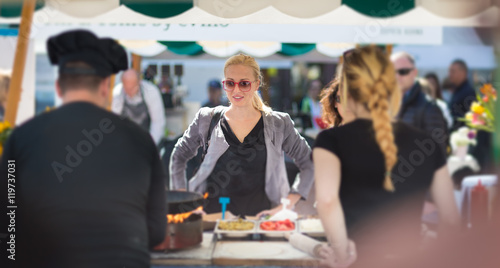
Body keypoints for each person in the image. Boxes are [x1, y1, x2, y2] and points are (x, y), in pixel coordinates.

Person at [0, 30, 167, 267]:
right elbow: (157, 231)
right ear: (105, 87)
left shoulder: (20, 138)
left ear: (58, 87)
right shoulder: (141, 140)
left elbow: (8, 227)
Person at [314, 46, 459, 267]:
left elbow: (326, 201)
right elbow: (450, 218)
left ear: (346, 93)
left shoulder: (330, 140)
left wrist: (341, 251)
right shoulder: (427, 143)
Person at [170, 53, 314, 217]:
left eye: (244, 84)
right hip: (213, 222)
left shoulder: (278, 123)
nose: (236, 90)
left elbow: (308, 163)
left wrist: (285, 206)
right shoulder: (207, 119)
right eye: (230, 83)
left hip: (260, 223)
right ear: (224, 85)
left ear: (256, 84)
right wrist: (184, 200)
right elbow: (178, 156)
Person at [391, 51, 449, 156]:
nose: (397, 76)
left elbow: (438, 153)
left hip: (416, 170)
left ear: (414, 72)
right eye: (391, 72)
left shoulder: (429, 107)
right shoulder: (386, 104)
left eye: (403, 71)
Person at [112, 69, 166, 145]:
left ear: (139, 82)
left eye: (132, 88)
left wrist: (149, 145)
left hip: (148, 137)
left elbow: (158, 123)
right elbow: (114, 122)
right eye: (127, 89)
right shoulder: (117, 93)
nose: (130, 92)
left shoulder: (151, 91)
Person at [447, 59, 476, 130]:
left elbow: (470, 120)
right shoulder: (458, 89)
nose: (449, 74)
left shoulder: (468, 92)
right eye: (449, 71)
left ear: (463, 72)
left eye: (452, 71)